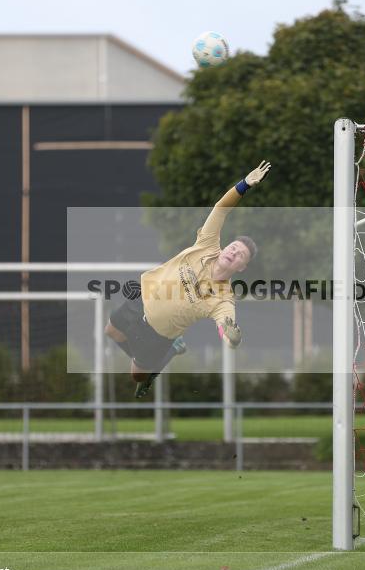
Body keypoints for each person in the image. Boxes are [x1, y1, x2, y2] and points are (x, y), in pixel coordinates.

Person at [105, 161, 270, 398]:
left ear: (241, 268)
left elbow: (226, 329)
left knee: (137, 377)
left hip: (157, 334)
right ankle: (157, 354)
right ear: (225, 248)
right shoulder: (207, 244)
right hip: (142, 299)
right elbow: (221, 208)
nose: (233, 252)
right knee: (111, 331)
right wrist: (244, 185)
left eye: (240, 255)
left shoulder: (223, 299)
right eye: (233, 247)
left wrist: (232, 339)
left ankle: (168, 352)